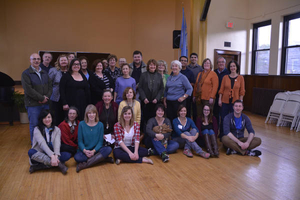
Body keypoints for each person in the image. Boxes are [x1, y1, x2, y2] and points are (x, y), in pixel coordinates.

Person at [28, 110, 70, 174]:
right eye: (44, 118)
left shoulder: (57, 129)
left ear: (52, 118)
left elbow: (57, 143)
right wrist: (52, 156)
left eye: (49, 117)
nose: (47, 119)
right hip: (40, 154)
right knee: (31, 152)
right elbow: (42, 144)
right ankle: (59, 164)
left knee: (67, 155)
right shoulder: (37, 129)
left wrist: (55, 155)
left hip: (52, 153)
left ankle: (39, 167)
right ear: (41, 119)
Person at [21, 53, 52, 142]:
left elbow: (50, 86)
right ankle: (35, 144)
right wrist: (41, 98)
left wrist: (47, 97)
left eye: (38, 59)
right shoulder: (26, 73)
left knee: (46, 124)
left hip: (45, 104)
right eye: (34, 59)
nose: (36, 61)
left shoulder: (44, 72)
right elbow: (28, 90)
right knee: (34, 125)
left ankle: (45, 143)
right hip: (33, 104)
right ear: (30, 60)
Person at [74, 105, 113, 172]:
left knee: (108, 149)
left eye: (93, 113)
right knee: (77, 158)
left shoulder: (100, 124)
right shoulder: (81, 124)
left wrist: (93, 151)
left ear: (96, 114)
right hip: (85, 151)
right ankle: (101, 159)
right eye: (89, 113)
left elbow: (100, 142)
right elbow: (80, 141)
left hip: (96, 151)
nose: (91, 115)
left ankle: (84, 165)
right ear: (86, 114)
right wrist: (85, 151)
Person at [218, 60, 245, 139]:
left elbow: (242, 91)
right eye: (231, 66)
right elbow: (221, 89)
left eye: (234, 66)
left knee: (235, 119)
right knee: (224, 118)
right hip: (225, 101)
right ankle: (223, 134)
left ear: (237, 67)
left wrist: (240, 102)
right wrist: (220, 99)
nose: (232, 68)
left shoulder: (241, 78)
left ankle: (234, 135)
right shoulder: (225, 77)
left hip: (235, 102)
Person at [139, 59, 164, 129]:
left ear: (156, 66)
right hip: (145, 102)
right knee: (145, 119)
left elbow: (161, 88)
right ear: (148, 66)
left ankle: (154, 132)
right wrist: (144, 98)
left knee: (155, 118)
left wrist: (157, 98)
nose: (152, 66)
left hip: (155, 102)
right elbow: (140, 87)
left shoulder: (159, 76)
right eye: (150, 65)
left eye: (154, 65)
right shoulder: (143, 75)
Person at [48, 54, 69, 125]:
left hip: (68, 97)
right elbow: (49, 84)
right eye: (62, 60)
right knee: (57, 117)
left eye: (65, 60)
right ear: (58, 62)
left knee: (67, 117)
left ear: (68, 61)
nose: (63, 62)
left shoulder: (70, 71)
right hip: (56, 97)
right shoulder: (53, 70)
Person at [213, 56, 230, 127]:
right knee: (215, 113)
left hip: (225, 96)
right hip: (214, 96)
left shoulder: (228, 73)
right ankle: (216, 129)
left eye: (222, 62)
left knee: (224, 115)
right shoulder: (214, 72)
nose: (221, 63)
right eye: (219, 62)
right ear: (217, 64)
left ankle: (223, 131)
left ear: (225, 63)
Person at [187, 53, 203, 123]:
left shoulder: (200, 68)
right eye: (192, 57)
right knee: (187, 108)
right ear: (190, 59)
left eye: (195, 57)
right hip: (187, 90)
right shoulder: (187, 67)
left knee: (195, 109)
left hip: (196, 91)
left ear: (197, 59)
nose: (193, 58)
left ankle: (196, 125)